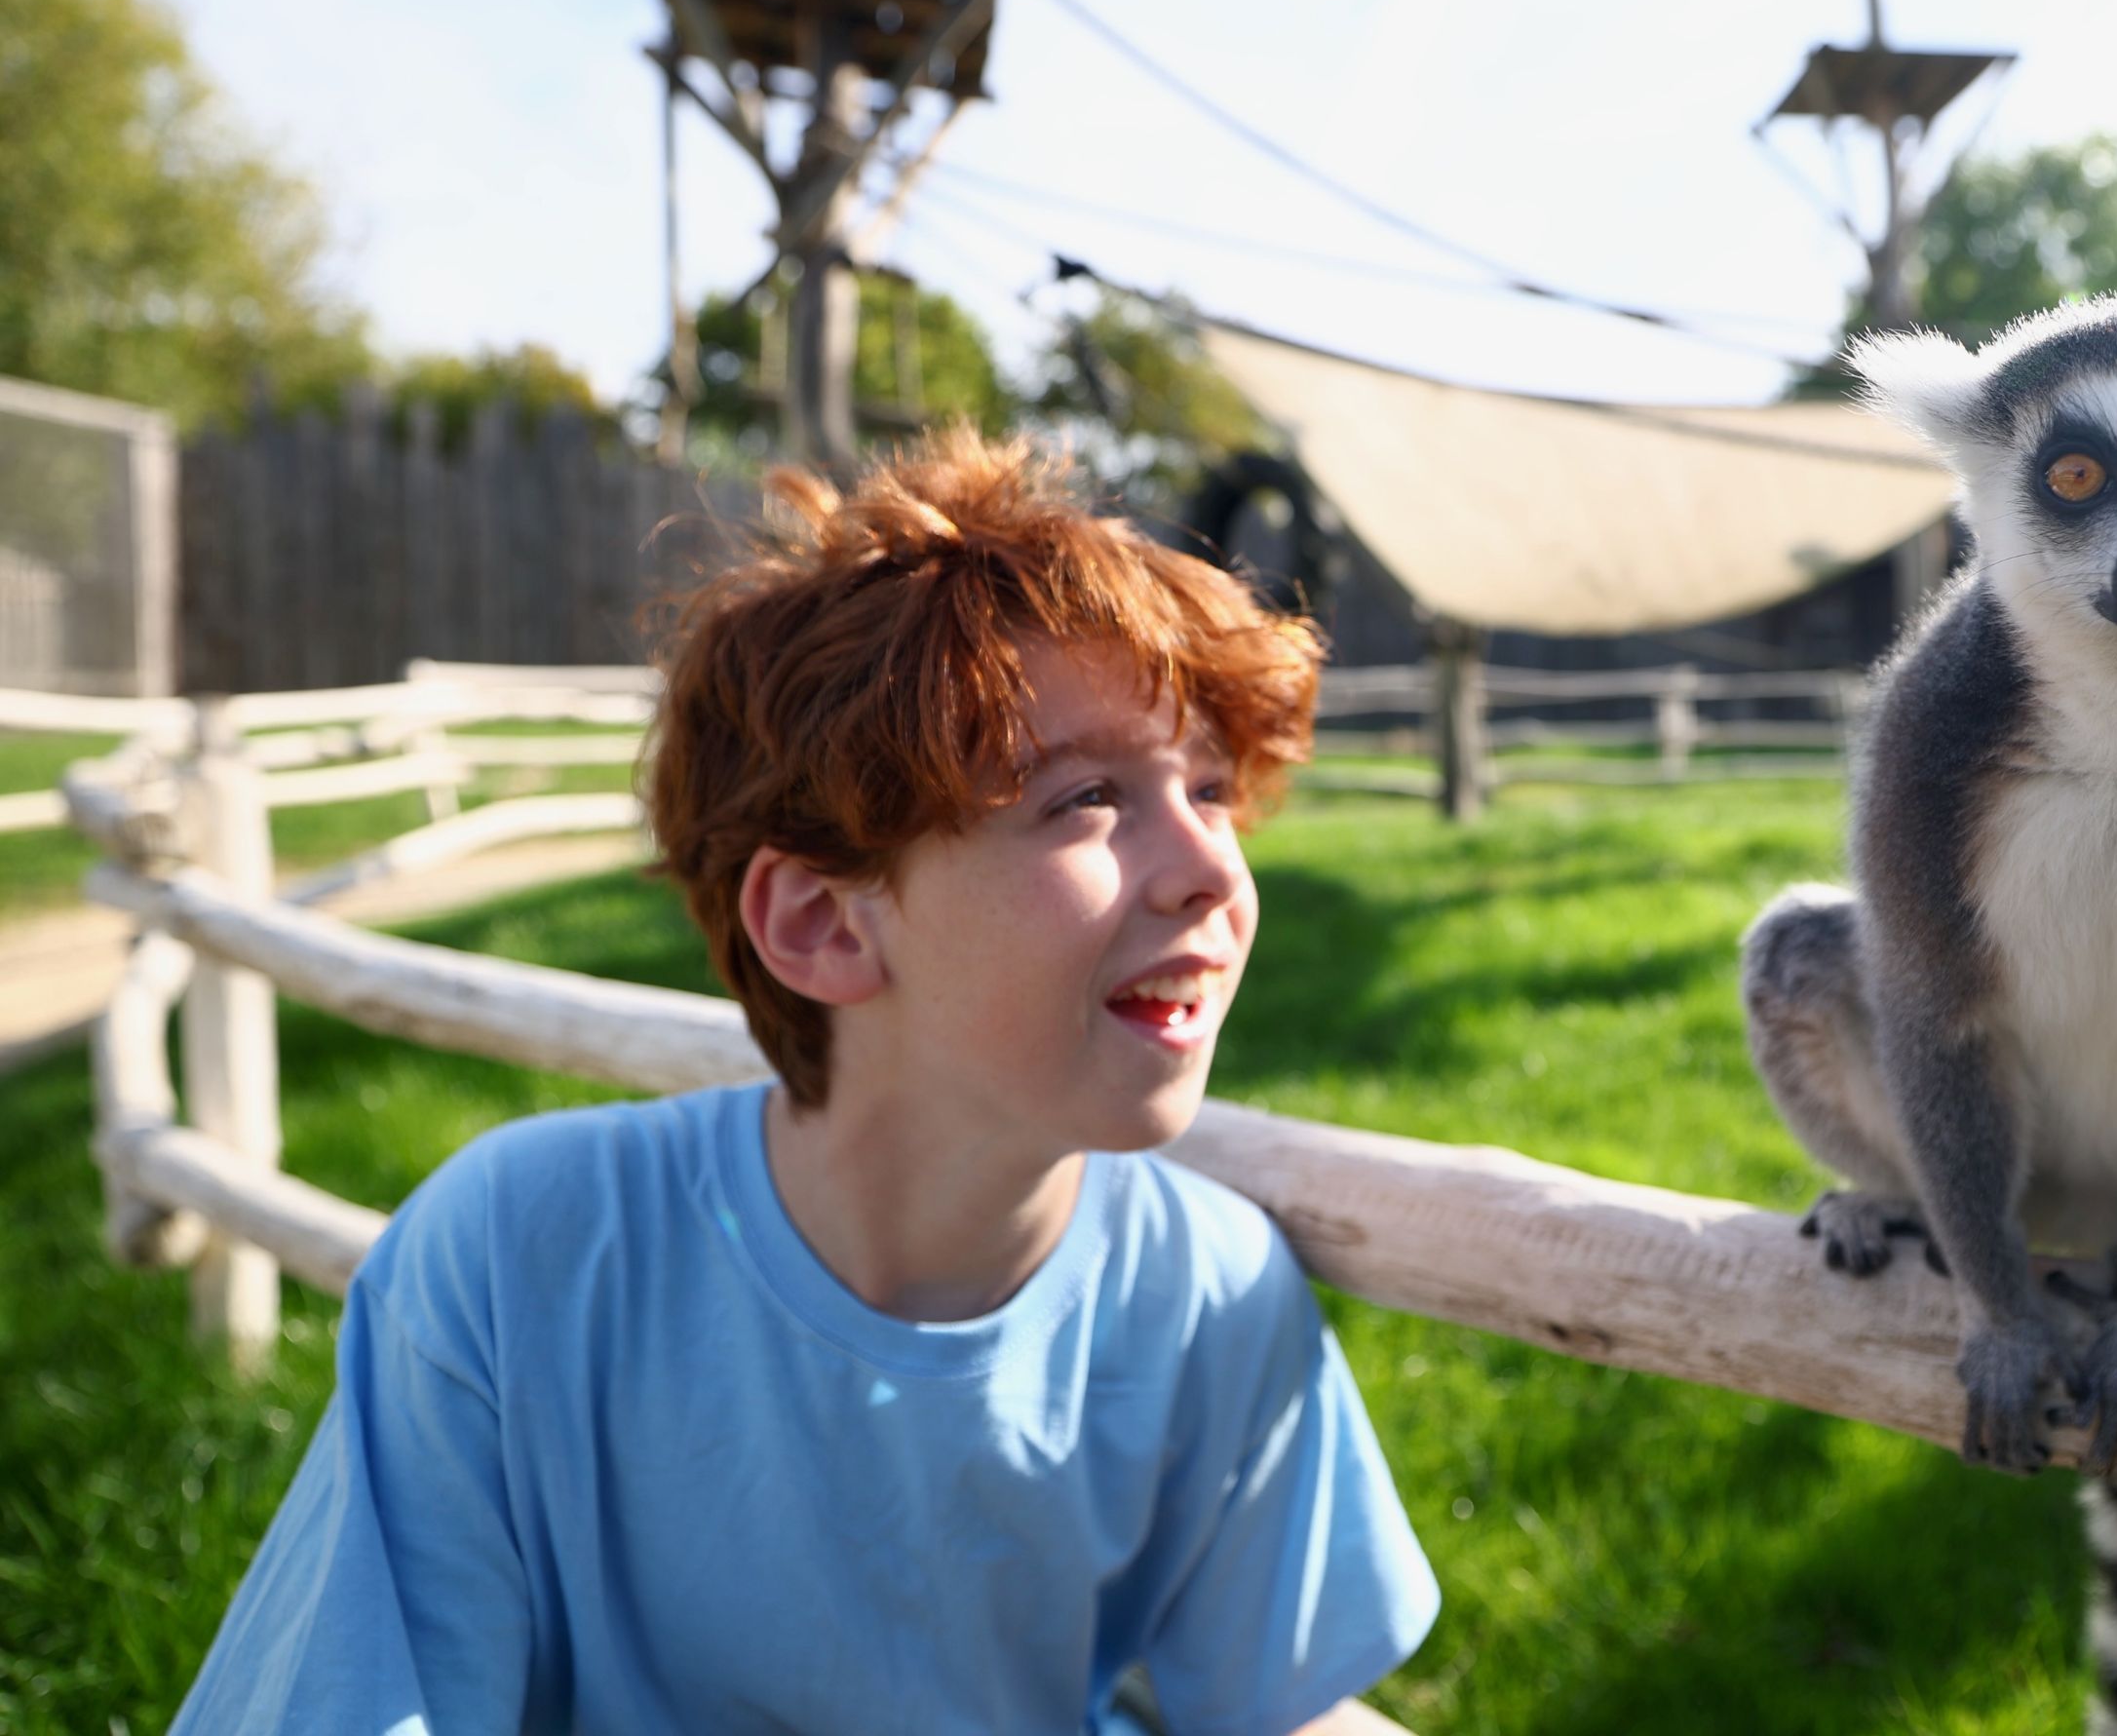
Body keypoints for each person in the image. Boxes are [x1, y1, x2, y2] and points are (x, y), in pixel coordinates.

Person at [173, 435, 1440, 1734]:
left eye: (1214, 790)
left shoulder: (1207, 1294)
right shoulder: (523, 1257)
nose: (1211, 871)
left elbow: (1279, 1712)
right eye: (1085, 800)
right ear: (826, 925)